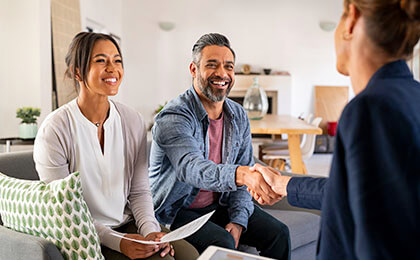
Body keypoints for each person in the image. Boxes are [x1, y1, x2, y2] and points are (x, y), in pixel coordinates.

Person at [249, 0, 420, 259]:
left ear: (351, 18)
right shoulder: (412, 96)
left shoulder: (371, 109)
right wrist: (283, 183)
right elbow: (353, 194)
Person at [34, 32, 199, 260]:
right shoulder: (55, 129)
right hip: (84, 236)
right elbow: (65, 211)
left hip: (126, 224)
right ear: (78, 72)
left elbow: (139, 191)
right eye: (101, 60)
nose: (113, 68)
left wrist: (151, 231)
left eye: (117, 60)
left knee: (190, 255)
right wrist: (120, 243)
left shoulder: (131, 120)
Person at [148, 33, 290, 260]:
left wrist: (238, 220)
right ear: (194, 70)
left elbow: (242, 176)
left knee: (279, 234)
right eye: (211, 65)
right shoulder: (174, 117)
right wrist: (242, 174)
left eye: (228, 66)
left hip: (218, 204)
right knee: (221, 242)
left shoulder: (238, 115)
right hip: (176, 211)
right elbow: (191, 168)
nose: (222, 74)